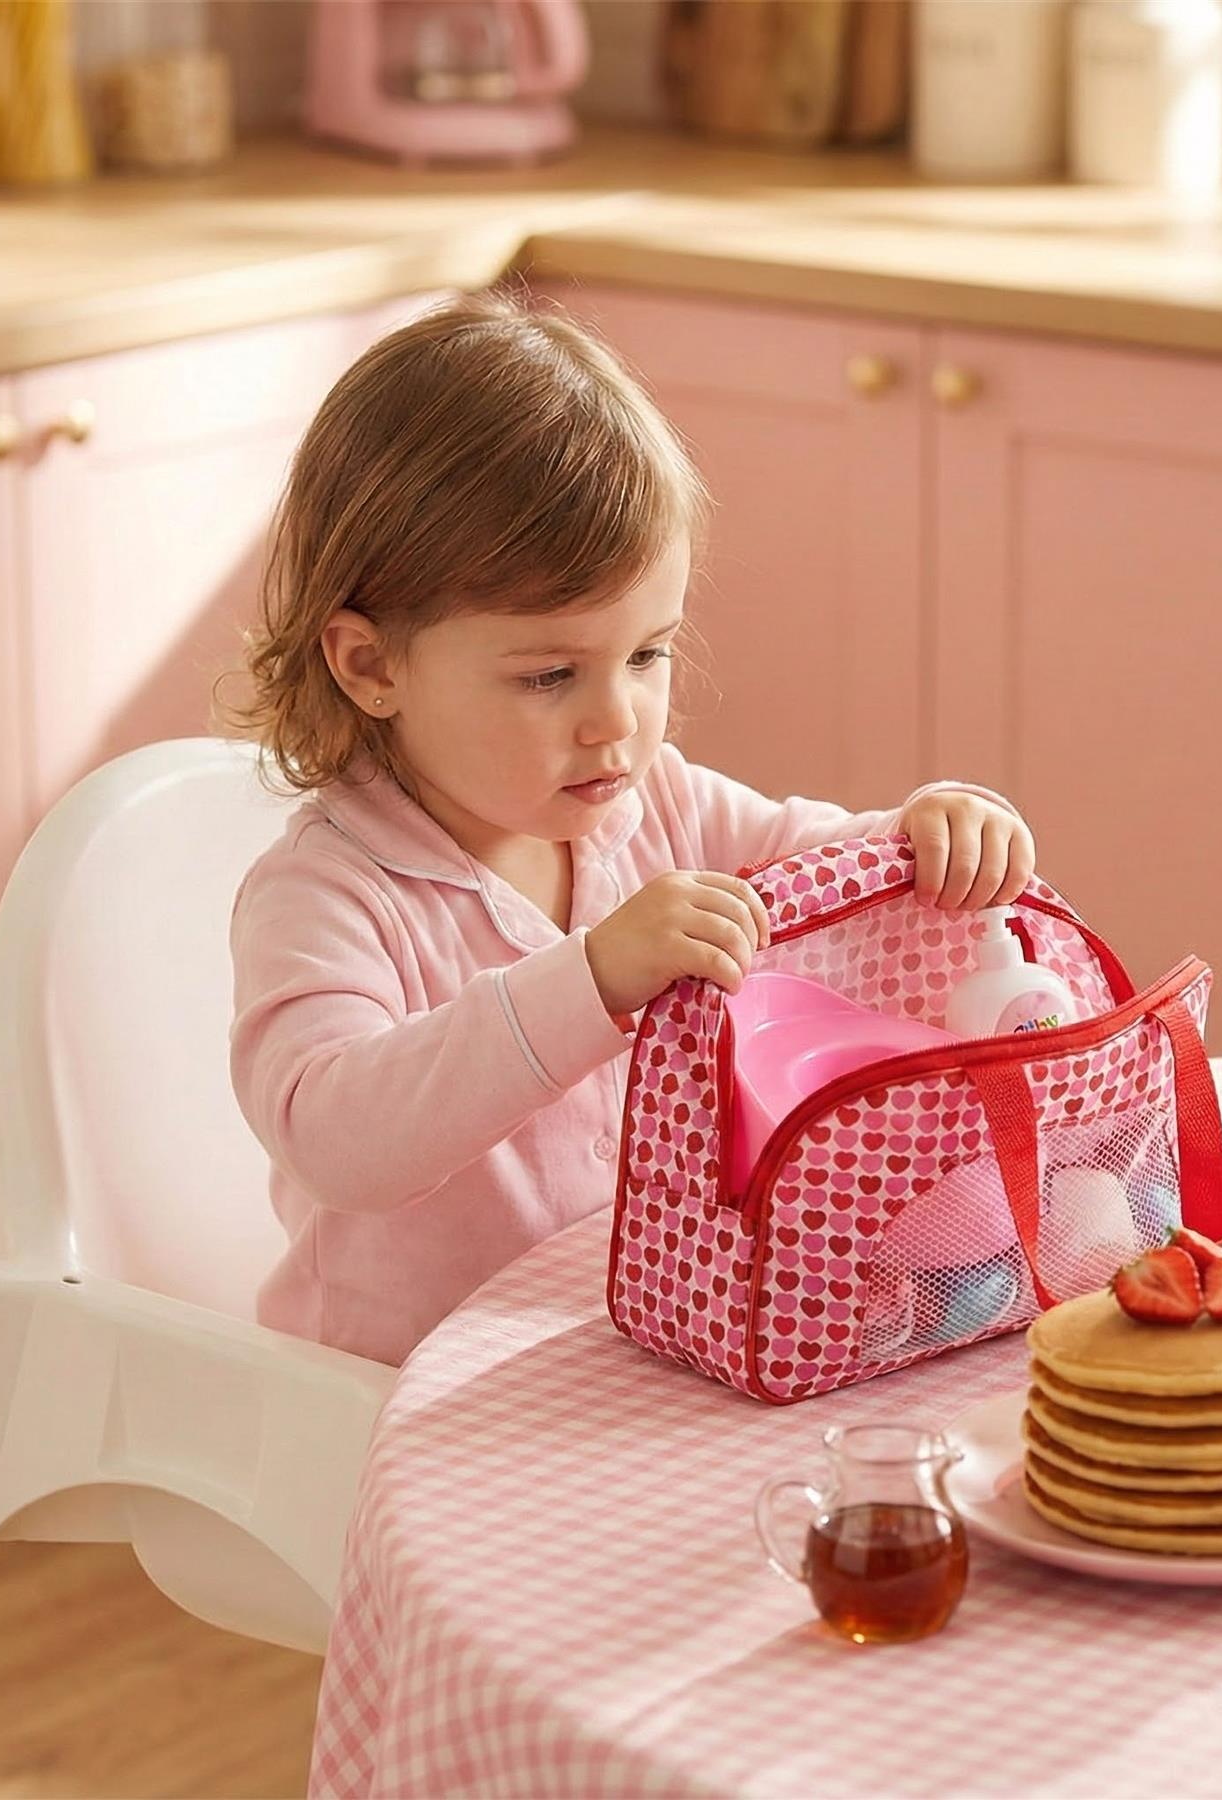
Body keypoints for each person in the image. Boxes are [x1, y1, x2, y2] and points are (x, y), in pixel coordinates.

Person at [228, 292, 1035, 1365]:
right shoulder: (329, 893)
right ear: (372, 666)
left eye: (647, 655)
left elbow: (828, 863)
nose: (618, 720)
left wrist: (933, 830)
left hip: (616, 1361)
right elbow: (336, 1141)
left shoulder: (658, 807)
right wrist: (591, 982)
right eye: (551, 674)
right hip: (387, 1418)